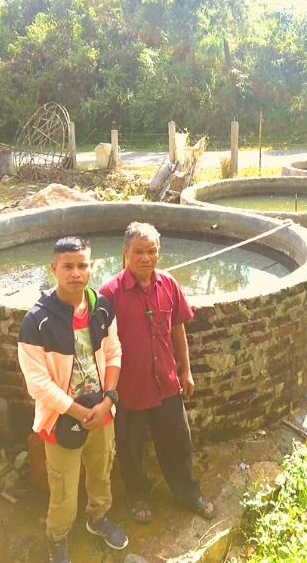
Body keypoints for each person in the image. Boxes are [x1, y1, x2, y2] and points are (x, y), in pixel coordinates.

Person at [17, 237, 128, 562]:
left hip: (102, 411)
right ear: (54, 268)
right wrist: (79, 411)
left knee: (101, 472)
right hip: (62, 419)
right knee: (64, 488)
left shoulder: (102, 306)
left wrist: (108, 399)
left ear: (92, 267)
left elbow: (114, 351)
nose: (76, 273)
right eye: (68, 266)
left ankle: (98, 519)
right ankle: (57, 537)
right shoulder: (37, 321)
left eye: (82, 265)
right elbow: (38, 383)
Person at [97, 222, 217, 524]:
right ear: (125, 253)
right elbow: (99, 346)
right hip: (129, 389)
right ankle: (137, 496)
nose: (146, 258)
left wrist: (186, 370)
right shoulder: (109, 293)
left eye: (152, 252)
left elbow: (178, 329)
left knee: (178, 442)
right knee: (130, 448)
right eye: (138, 252)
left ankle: (189, 494)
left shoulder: (168, 284)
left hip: (166, 383)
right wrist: (106, 391)